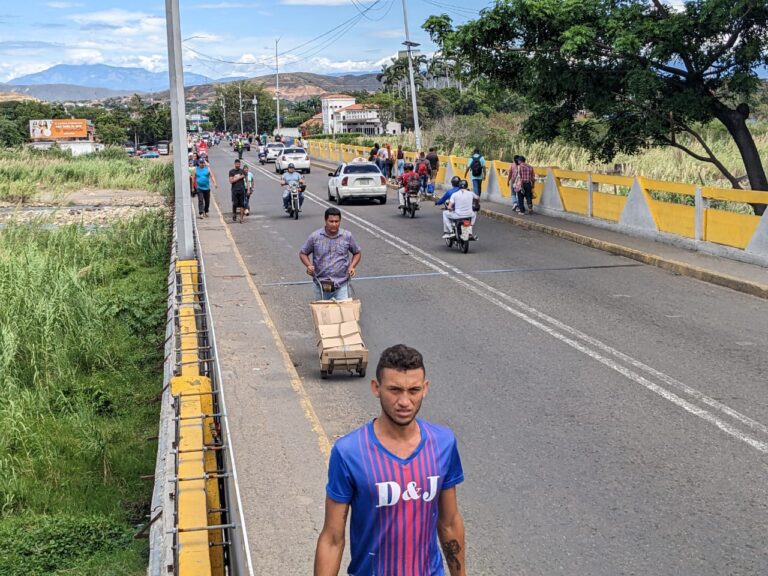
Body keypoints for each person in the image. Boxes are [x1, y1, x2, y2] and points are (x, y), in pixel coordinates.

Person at [314, 344, 466, 576]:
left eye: (413, 390)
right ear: (376, 388)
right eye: (395, 390)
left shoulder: (443, 443)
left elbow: (449, 523)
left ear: (425, 389)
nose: (404, 401)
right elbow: (333, 538)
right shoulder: (348, 452)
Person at [299, 207, 361, 301]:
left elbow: (357, 252)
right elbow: (303, 253)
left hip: (342, 285)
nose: (334, 224)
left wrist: (352, 266)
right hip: (320, 285)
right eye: (331, 221)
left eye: (337, 221)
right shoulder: (315, 237)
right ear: (325, 220)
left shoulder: (347, 236)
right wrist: (309, 266)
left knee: (343, 314)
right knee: (323, 315)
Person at [228, 159, 247, 223]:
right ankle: (234, 214)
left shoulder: (242, 171)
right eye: (237, 164)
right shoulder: (231, 171)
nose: (238, 165)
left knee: (242, 204)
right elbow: (231, 181)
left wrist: (248, 187)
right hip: (234, 190)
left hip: (241, 190)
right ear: (235, 164)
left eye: (239, 164)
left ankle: (241, 219)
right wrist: (239, 177)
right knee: (235, 203)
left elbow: (246, 178)